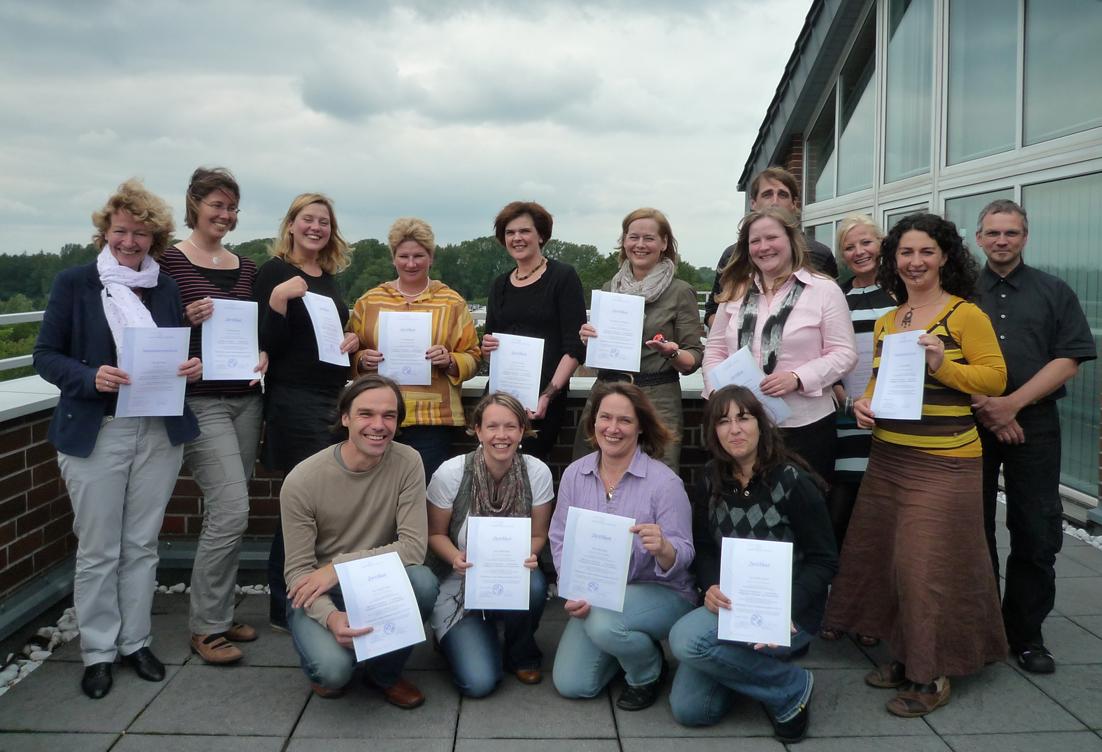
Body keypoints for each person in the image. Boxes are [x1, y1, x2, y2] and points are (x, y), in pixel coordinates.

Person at [823, 213, 1009, 718]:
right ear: (894, 259)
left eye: (926, 251)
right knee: (889, 561)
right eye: (906, 252)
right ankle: (906, 655)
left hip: (944, 460)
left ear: (945, 256)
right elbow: (878, 381)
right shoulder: (891, 319)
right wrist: (866, 403)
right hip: (889, 456)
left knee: (925, 566)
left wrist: (943, 364)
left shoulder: (965, 314)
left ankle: (932, 673)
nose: (915, 261)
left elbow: (994, 379)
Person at [33, 179, 202, 699]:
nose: (129, 242)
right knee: (99, 548)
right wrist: (91, 377)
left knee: (142, 544)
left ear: (156, 239)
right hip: (97, 431)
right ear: (105, 232)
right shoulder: (75, 283)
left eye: (140, 234)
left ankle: (136, 641)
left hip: (157, 429)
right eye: (121, 231)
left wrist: (190, 367)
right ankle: (99, 651)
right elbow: (45, 355)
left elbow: (172, 351)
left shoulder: (165, 287)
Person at [668, 385, 837, 744]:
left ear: (761, 423)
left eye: (743, 418)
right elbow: (705, 547)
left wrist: (786, 608)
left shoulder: (792, 481)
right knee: (691, 710)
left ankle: (791, 688)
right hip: (732, 605)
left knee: (685, 639)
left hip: (789, 611)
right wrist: (710, 586)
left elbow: (824, 560)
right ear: (714, 431)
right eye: (723, 421)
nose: (735, 429)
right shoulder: (711, 478)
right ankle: (766, 675)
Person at [971, 199, 1096, 674]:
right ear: (979, 238)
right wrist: (990, 408)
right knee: (974, 528)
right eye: (993, 233)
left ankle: (1026, 633)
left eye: (1011, 233)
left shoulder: (1054, 291)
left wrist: (1011, 405)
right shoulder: (961, 293)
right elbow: (946, 356)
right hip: (972, 423)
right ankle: (983, 628)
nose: (1002, 240)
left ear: (1025, 237)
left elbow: (1070, 358)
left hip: (1036, 425)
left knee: (1036, 529)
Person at [160, 167, 267, 664]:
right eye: (217, 205)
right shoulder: (168, 261)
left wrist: (263, 353)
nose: (225, 215)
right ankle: (205, 626)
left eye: (231, 207)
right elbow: (147, 325)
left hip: (246, 398)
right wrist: (183, 319)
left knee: (230, 508)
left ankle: (219, 613)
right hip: (200, 400)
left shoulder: (246, 267)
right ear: (195, 205)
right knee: (232, 508)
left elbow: (255, 329)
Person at [282, 375, 438, 708]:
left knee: (423, 582)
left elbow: (413, 548)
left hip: (372, 582)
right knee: (334, 673)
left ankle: (384, 673)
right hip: (319, 591)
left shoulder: (408, 462)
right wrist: (331, 617)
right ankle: (327, 659)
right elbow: (298, 574)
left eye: (389, 416)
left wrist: (338, 568)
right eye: (366, 414)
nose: (378, 425)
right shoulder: (302, 481)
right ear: (345, 418)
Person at [551, 382, 695, 711]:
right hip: (597, 594)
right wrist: (571, 588)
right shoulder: (575, 474)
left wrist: (664, 548)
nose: (612, 428)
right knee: (573, 684)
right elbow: (560, 538)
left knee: (603, 623)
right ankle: (628, 646)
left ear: (641, 426)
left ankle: (647, 672)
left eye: (625, 420)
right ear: (594, 422)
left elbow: (685, 551)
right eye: (605, 418)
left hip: (662, 592)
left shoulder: (664, 482)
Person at [255, 193, 360, 631]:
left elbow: (325, 338)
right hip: (294, 399)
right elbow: (264, 343)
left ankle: (310, 597)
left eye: (324, 222)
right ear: (291, 225)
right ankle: (284, 605)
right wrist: (278, 300)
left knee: (321, 502)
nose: (316, 227)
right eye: (308, 219)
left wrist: (352, 341)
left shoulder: (328, 278)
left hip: (331, 396)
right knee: (303, 501)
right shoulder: (274, 273)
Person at [703, 207, 856, 483]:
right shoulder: (735, 291)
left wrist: (798, 378)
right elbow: (714, 350)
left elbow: (844, 353)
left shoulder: (824, 290)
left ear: (791, 239)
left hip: (804, 426)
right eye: (755, 241)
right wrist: (718, 393)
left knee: (803, 503)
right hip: (742, 428)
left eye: (772, 238)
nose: (764, 247)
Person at [427, 393, 554, 696]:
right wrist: (455, 557)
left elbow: (539, 535)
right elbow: (434, 535)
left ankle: (520, 651)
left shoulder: (536, 472)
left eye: (510, 426)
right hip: (459, 580)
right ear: (478, 430)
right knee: (479, 682)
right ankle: (457, 636)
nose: (501, 435)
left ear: (522, 431)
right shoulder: (452, 473)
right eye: (492, 426)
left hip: (510, 575)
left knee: (535, 585)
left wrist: (531, 554)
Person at [349, 217, 481, 481]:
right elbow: (349, 351)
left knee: (423, 493)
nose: (411, 263)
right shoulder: (370, 301)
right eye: (403, 256)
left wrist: (450, 360)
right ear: (393, 258)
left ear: (431, 257)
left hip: (432, 420)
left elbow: (474, 356)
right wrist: (362, 360)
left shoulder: (452, 302)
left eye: (419, 256)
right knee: (376, 492)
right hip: (377, 415)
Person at [575, 208, 704, 471]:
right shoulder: (610, 289)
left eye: (649, 238)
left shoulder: (680, 292)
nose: (640, 245)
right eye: (633, 237)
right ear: (624, 241)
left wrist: (671, 353)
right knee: (590, 473)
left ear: (664, 243)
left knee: (658, 477)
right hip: (607, 393)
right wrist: (590, 339)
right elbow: (599, 353)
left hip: (657, 399)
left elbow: (694, 357)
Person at [481, 201, 587, 461]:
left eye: (524, 231)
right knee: (491, 467)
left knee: (530, 468)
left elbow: (574, 346)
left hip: (543, 400)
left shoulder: (562, 277)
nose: (517, 238)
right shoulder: (499, 285)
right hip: (500, 398)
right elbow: (490, 347)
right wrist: (486, 349)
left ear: (541, 235)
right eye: (510, 232)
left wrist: (548, 395)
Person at [826, 216, 895, 552]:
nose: (859, 252)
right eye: (849, 247)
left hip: (893, 417)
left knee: (886, 507)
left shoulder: (901, 292)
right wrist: (842, 395)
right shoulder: (836, 296)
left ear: (881, 244)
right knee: (842, 506)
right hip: (848, 414)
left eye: (866, 242)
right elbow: (824, 348)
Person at [705, 166, 838, 329]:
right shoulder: (733, 256)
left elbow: (833, 314)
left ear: (794, 204)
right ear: (753, 203)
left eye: (783, 195)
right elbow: (713, 311)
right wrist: (741, 335)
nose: (775, 201)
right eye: (767, 194)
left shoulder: (819, 254)